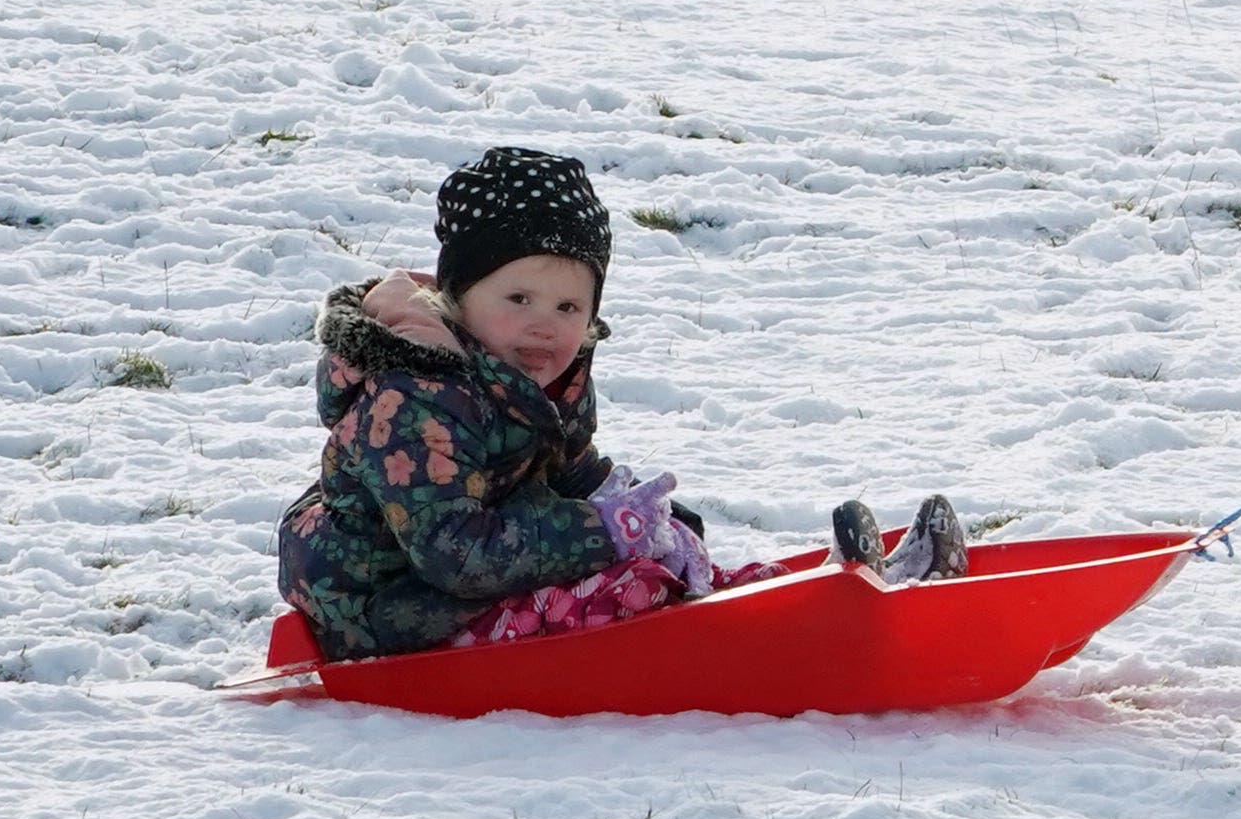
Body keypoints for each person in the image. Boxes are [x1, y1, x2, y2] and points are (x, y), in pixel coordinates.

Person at [280, 151, 973, 666]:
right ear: (459, 300)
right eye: (518, 299)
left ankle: (838, 597)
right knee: (635, 590)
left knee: (664, 566)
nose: (545, 326)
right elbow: (454, 553)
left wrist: (656, 523)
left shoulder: (540, 376)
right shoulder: (415, 395)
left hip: (479, 583)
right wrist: (608, 535)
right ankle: (802, 635)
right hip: (393, 612)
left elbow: (570, 476)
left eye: (568, 307)